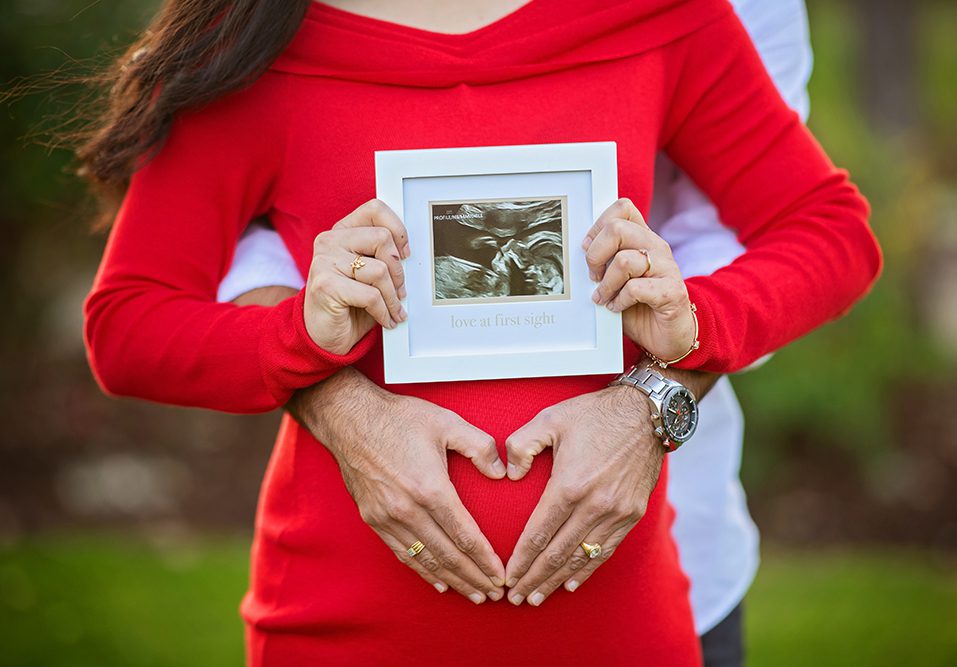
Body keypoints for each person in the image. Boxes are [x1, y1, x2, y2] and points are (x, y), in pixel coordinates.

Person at [80, 0, 882, 664]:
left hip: (621, 626)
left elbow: (829, 230)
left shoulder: (665, 18)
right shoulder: (254, 36)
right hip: (342, 624)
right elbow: (127, 322)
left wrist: (696, 323)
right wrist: (299, 334)